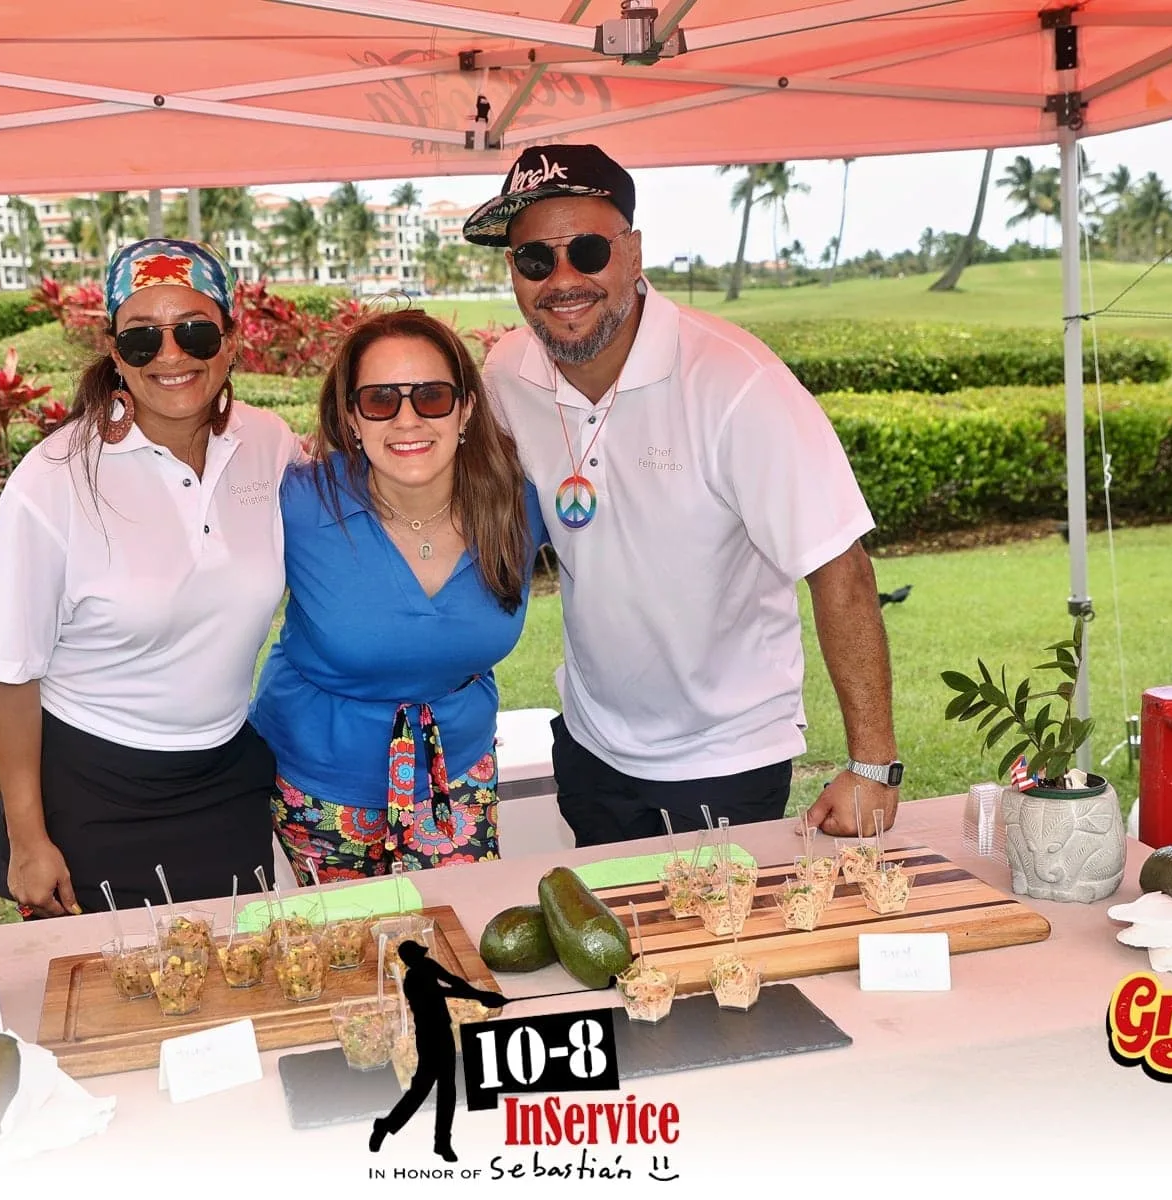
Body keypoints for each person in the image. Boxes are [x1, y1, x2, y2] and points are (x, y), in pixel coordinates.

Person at [463, 144, 902, 845]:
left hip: (725, 756)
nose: (563, 279)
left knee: (716, 948)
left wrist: (873, 766)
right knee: (607, 949)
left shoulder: (737, 383)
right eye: (535, 260)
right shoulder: (509, 372)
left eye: (587, 250)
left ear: (633, 254)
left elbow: (837, 563)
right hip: (591, 744)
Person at [0, 238, 298, 917]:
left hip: (225, 776)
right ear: (116, 353)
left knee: (238, 989)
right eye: (143, 339)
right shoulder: (53, 479)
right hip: (90, 794)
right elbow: (9, 672)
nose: (172, 356)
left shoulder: (270, 444)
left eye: (196, 331)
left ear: (232, 340)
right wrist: (29, 841)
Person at [250, 310, 548, 879]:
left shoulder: (518, 503)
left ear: (466, 410)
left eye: (432, 396)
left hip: (456, 772)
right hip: (320, 783)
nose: (408, 419)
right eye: (380, 399)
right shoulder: (298, 503)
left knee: (454, 942)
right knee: (349, 955)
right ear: (351, 418)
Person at [369, 940, 506, 1163]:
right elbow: (439, 992)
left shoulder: (429, 965)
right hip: (428, 1036)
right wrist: (480, 997)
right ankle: (386, 1125)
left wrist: (480, 995)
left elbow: (453, 981)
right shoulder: (411, 981)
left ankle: (442, 1142)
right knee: (421, 1089)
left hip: (444, 1031)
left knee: (448, 1088)